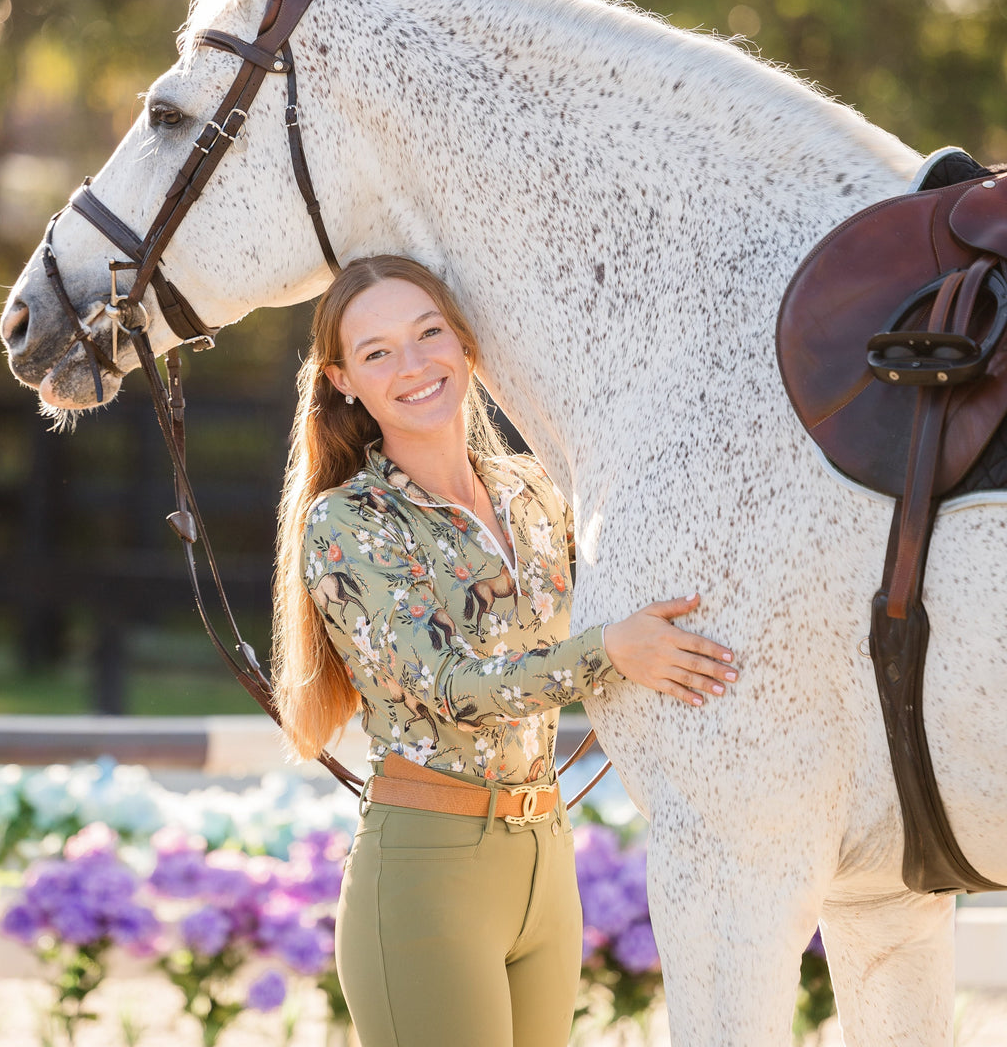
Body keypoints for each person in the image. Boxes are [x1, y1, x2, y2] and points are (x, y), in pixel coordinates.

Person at [271, 254, 737, 1047]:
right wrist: (609, 655)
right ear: (343, 379)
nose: (415, 365)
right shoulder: (348, 524)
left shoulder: (534, 488)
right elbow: (451, 687)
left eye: (429, 334)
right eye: (378, 352)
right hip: (428, 871)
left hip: (546, 856)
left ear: (465, 344)